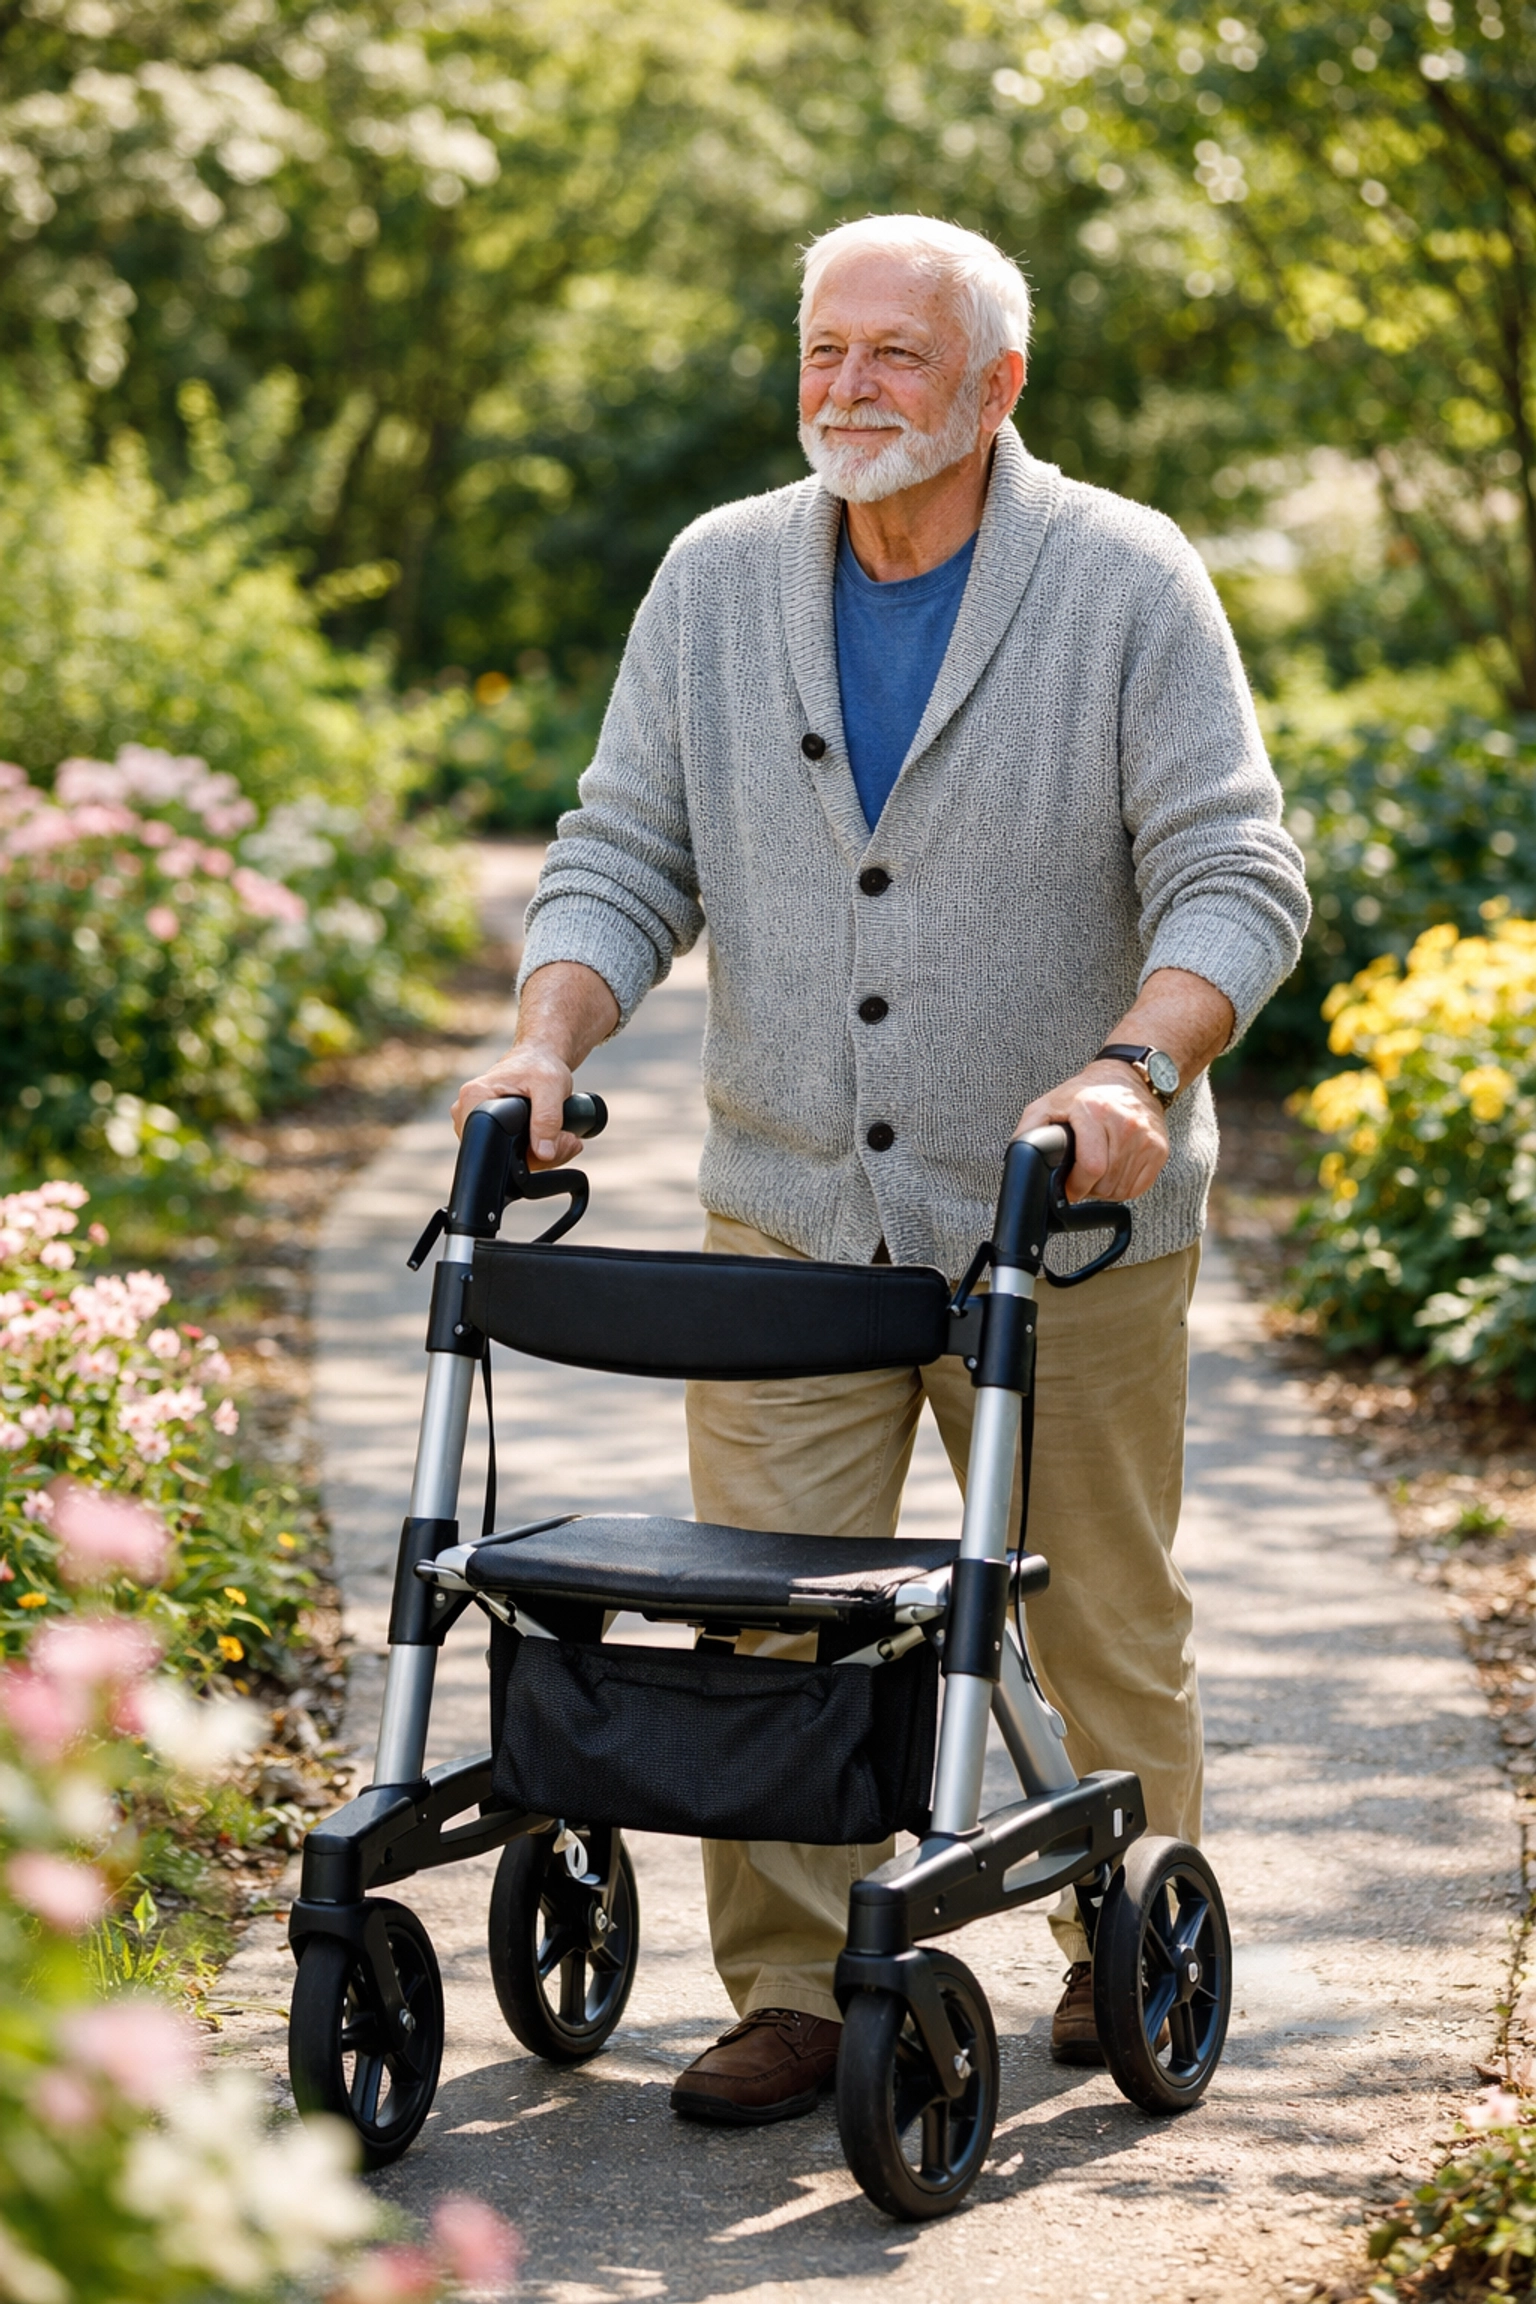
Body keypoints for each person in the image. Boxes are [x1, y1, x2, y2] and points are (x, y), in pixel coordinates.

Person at [452, 213, 1309, 2126]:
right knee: (769, 1614)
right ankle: (786, 1985)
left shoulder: (1122, 578)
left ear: (999, 384)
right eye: (826, 351)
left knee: (1090, 1605)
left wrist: (1140, 1061)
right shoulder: (719, 575)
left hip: (1060, 1220)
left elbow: (1236, 869)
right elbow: (623, 846)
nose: (849, 389)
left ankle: (1126, 1931)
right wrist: (546, 1040)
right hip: (793, 1206)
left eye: (895, 357)